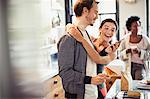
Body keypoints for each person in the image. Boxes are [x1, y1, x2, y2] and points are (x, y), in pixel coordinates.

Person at [57, 0, 116, 99]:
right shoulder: (68, 38)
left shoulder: (85, 35)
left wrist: (95, 78)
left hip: (91, 93)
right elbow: (65, 73)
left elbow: (92, 62)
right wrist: (90, 80)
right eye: (95, 12)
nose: (97, 17)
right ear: (85, 11)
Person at [66, 18, 119, 98]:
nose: (109, 32)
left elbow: (98, 59)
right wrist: (69, 27)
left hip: (99, 86)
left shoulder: (113, 53)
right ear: (100, 29)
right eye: (106, 28)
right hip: (84, 82)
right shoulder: (91, 40)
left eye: (113, 30)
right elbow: (70, 26)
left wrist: (81, 39)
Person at [119, 16, 150, 80]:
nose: (137, 28)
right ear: (130, 27)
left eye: (138, 26)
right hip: (129, 66)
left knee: (138, 82)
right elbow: (120, 54)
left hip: (140, 66)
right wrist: (127, 51)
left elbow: (149, 54)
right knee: (130, 83)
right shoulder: (125, 39)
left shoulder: (145, 39)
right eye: (135, 26)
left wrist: (140, 52)